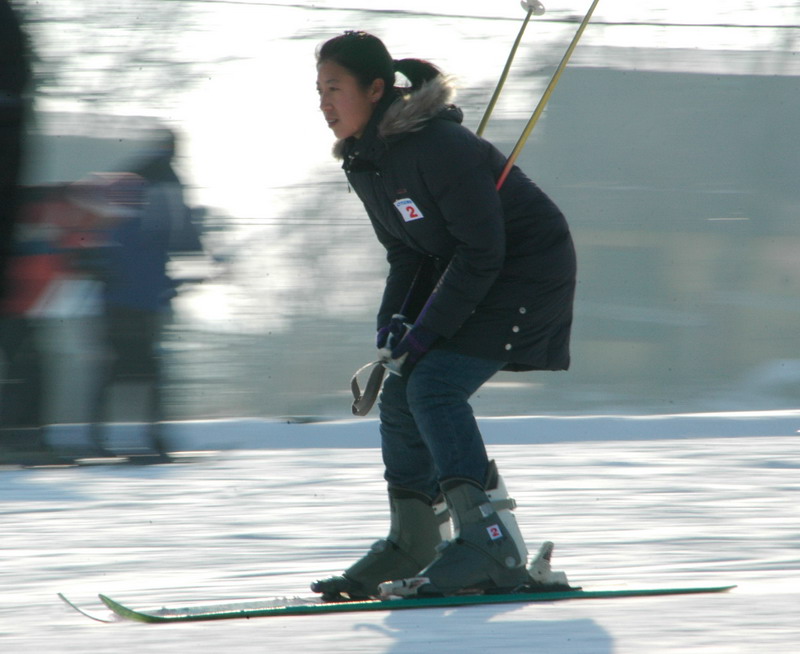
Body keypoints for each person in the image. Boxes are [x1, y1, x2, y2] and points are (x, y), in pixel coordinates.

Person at [310, 31, 577, 600]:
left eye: (335, 88)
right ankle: (415, 540)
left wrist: (427, 331)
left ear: (375, 88)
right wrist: (393, 327)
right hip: (474, 271)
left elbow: (484, 250)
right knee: (405, 385)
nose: (324, 102)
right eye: (318, 90)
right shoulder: (366, 163)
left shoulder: (437, 147)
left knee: (433, 386)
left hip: (527, 272)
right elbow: (408, 252)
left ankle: (490, 545)